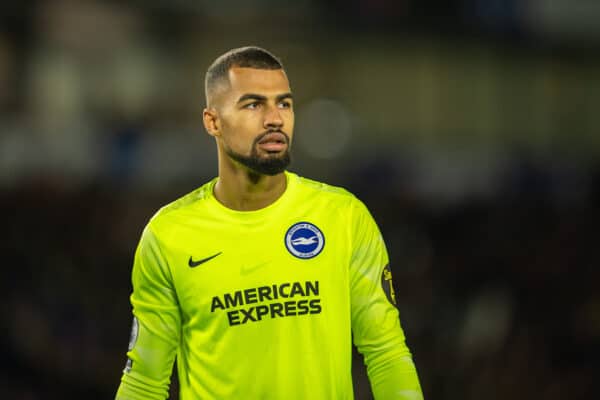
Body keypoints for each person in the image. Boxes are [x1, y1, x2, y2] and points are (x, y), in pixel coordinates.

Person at [116, 46, 423, 400]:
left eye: (284, 103)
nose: (275, 118)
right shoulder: (168, 235)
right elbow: (145, 381)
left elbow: (386, 352)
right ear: (212, 121)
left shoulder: (343, 217)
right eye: (253, 104)